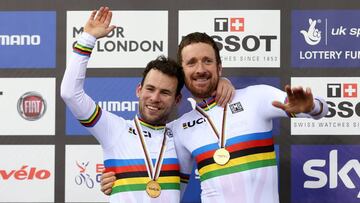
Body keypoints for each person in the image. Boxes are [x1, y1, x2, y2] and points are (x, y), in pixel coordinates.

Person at [101, 31, 329, 202]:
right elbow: (164, 183)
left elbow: (323, 110)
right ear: (183, 73)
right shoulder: (180, 128)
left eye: (207, 61)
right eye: (191, 63)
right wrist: (118, 181)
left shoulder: (257, 97)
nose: (200, 69)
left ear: (220, 68)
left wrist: (311, 107)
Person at [61, 7, 234, 203]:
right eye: (150, 89)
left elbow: (219, 115)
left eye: (165, 92)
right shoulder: (114, 129)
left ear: (177, 100)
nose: (155, 98)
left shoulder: (182, 132)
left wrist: (222, 81)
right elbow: (70, 93)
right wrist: (88, 39)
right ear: (138, 90)